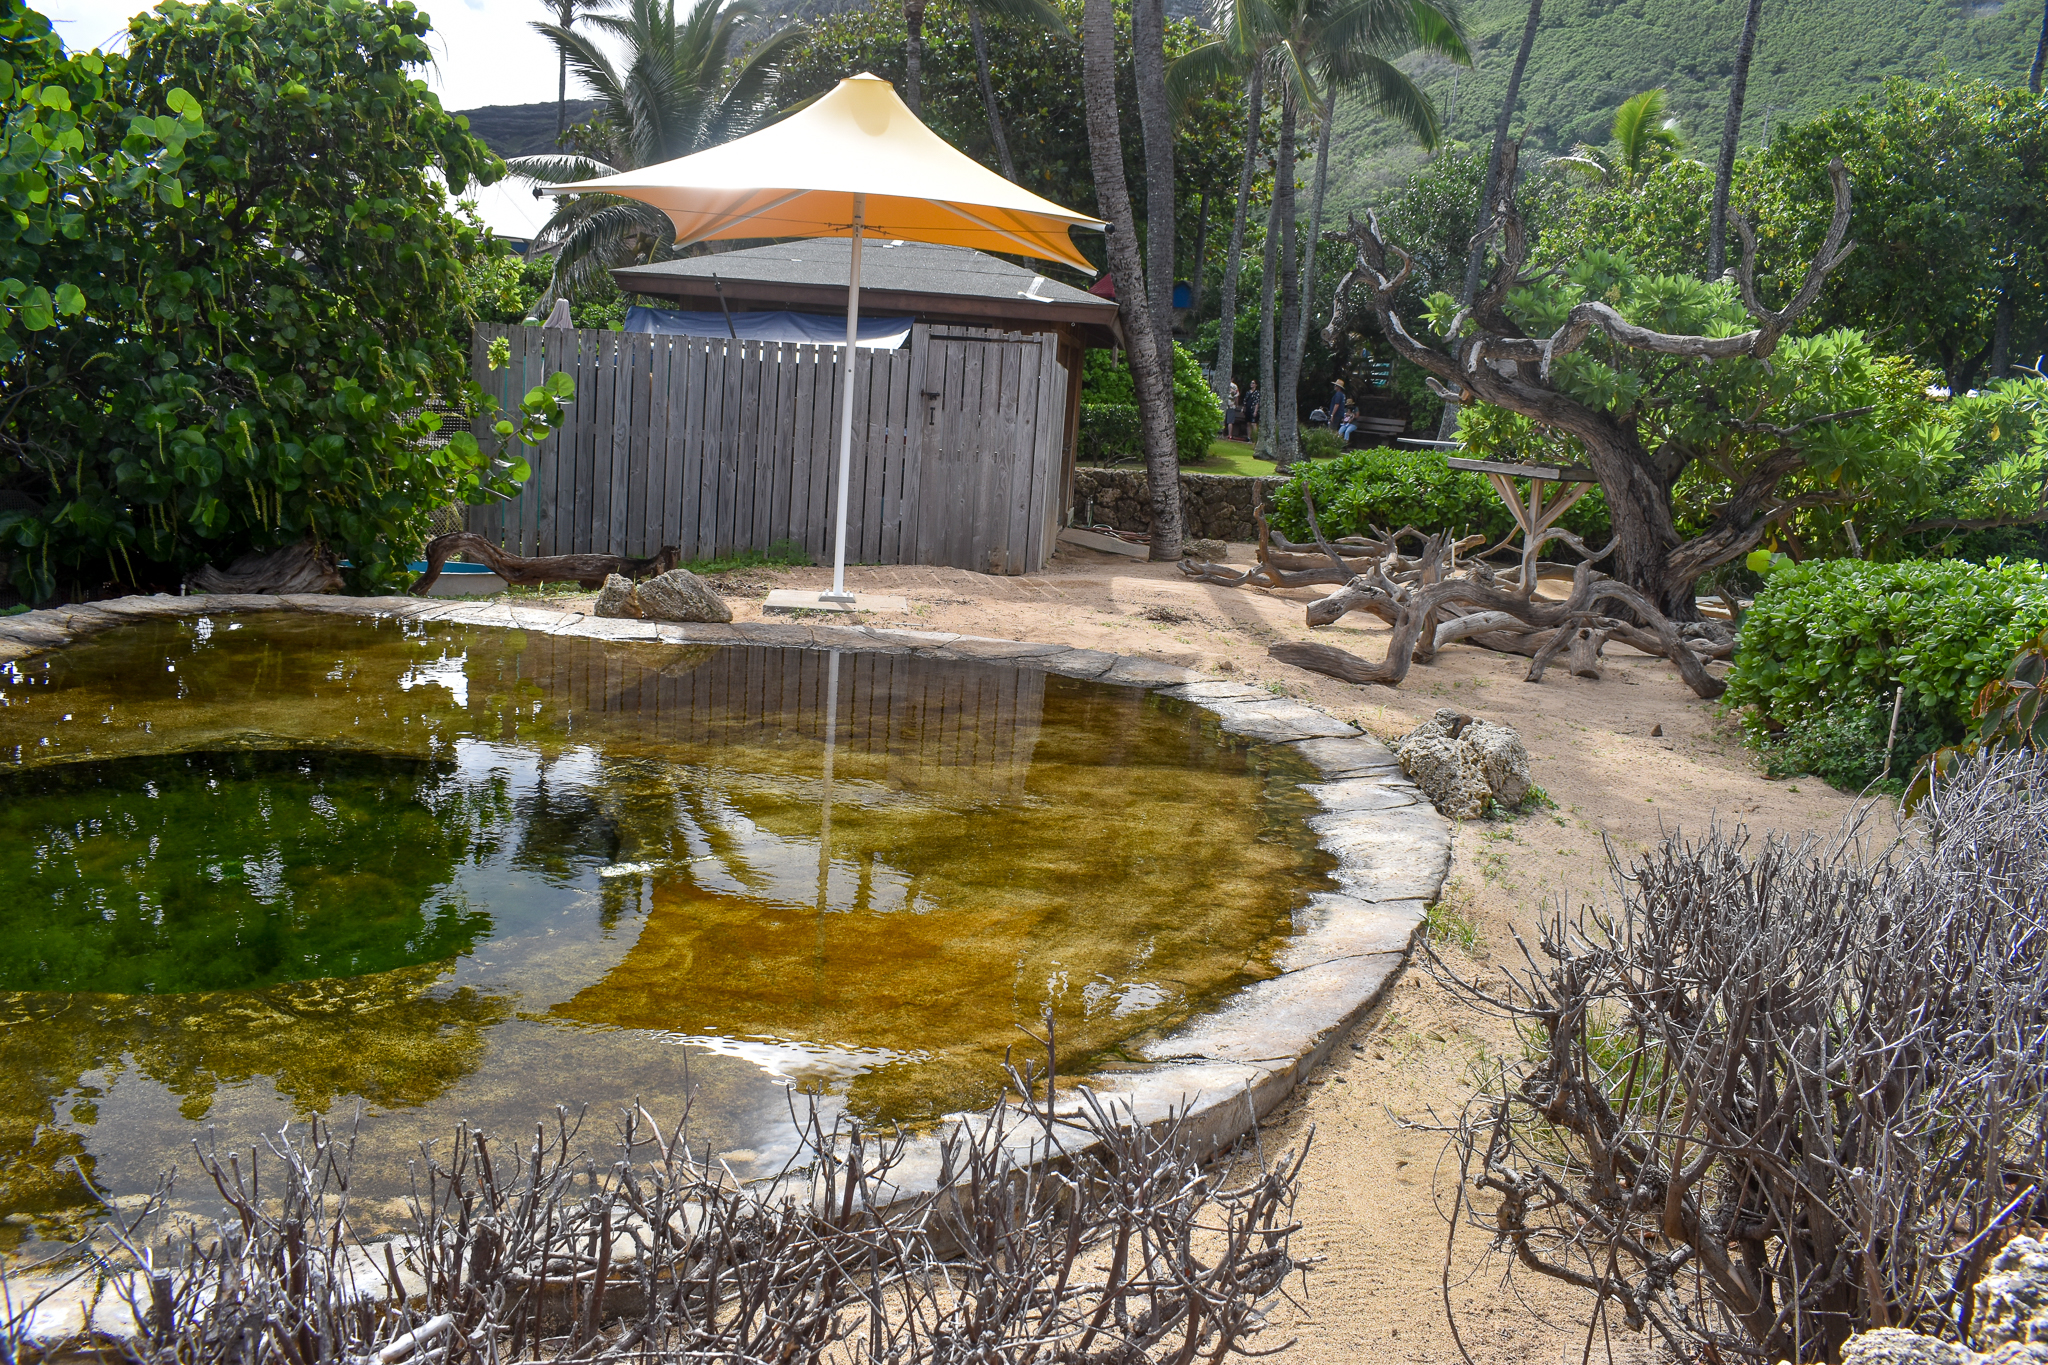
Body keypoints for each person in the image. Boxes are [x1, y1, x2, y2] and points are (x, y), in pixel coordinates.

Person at [1329, 379, 1355, 446]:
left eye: (1336, 385)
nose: (1334, 386)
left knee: (1332, 429)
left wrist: (1332, 415)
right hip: (1340, 414)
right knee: (1337, 430)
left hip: (1336, 415)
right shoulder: (1343, 395)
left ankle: (1332, 443)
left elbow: (1336, 405)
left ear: (1338, 387)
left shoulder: (1338, 394)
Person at [1243, 380, 1261, 444]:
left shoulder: (1257, 393)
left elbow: (1257, 402)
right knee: (1248, 423)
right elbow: (1245, 401)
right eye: (1251, 383)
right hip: (1248, 409)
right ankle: (1249, 437)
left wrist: (1255, 411)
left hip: (1253, 409)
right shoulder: (1248, 392)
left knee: (1253, 423)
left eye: (1253, 383)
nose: (1252, 384)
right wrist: (1243, 408)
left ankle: (1255, 438)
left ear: (1256, 385)